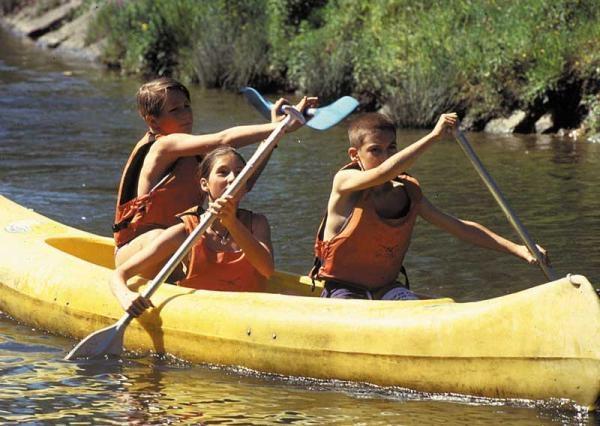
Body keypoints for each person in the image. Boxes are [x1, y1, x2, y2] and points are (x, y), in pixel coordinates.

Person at [310, 112, 549, 300]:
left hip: (387, 289)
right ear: (355, 155)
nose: (385, 156)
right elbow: (385, 171)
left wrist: (518, 249)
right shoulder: (345, 183)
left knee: (408, 305)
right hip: (343, 291)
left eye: (391, 148)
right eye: (375, 150)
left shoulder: (406, 192)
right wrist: (434, 136)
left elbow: (459, 227)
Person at [113, 77, 315, 271]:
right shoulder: (162, 147)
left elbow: (243, 184)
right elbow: (223, 139)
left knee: (209, 238)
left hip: (178, 247)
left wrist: (274, 136)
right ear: (154, 122)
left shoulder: (197, 155)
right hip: (139, 251)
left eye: (187, 106)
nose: (186, 114)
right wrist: (282, 126)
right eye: (175, 110)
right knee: (165, 236)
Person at [110, 147, 275, 317]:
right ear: (205, 184)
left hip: (246, 314)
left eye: (240, 173)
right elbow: (120, 274)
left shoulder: (257, 223)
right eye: (223, 172)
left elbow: (267, 269)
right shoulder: (185, 232)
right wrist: (126, 297)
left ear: (246, 185)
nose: (233, 178)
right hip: (202, 315)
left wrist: (232, 223)